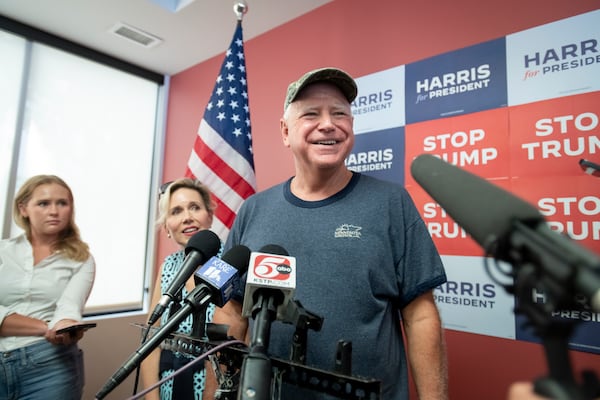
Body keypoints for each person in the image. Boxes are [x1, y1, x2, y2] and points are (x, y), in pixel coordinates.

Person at [208, 67, 448, 399]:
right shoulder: (253, 210)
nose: (328, 124)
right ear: (285, 131)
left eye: (340, 114)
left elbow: (420, 316)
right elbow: (231, 311)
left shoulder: (391, 203)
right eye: (311, 114)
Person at [0, 175, 96, 400]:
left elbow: (68, 309)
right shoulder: (3, 252)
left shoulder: (82, 259)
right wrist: (45, 328)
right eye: (44, 203)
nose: (54, 211)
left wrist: (65, 326)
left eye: (62, 203)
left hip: (50, 366)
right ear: (23, 208)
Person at [140, 178, 221, 400]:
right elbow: (151, 340)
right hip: (169, 386)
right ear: (166, 226)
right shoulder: (168, 267)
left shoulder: (229, 266)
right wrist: (152, 398)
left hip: (215, 389)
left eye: (195, 207)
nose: (187, 217)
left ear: (210, 216)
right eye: (176, 211)